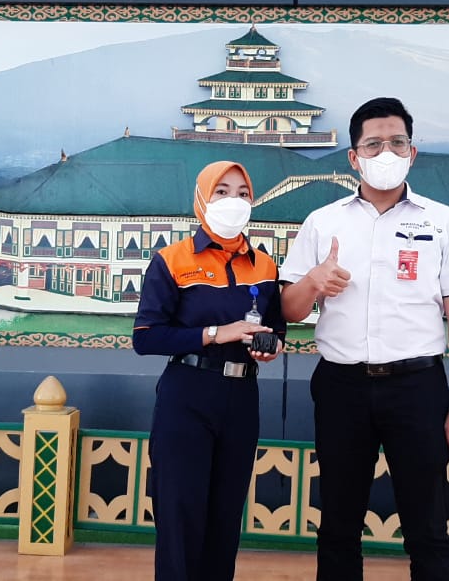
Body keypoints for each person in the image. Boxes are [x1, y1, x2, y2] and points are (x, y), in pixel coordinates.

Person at [279, 97, 449, 581]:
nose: (386, 152)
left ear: (413, 152)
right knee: (338, 525)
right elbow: (290, 309)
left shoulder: (443, 221)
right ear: (354, 157)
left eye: (397, 142)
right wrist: (313, 282)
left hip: (417, 388)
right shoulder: (323, 222)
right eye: (374, 144)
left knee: (427, 528)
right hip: (342, 387)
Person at [133, 160, 286, 581]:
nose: (233, 200)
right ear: (201, 198)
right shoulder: (172, 260)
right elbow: (146, 338)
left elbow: (276, 328)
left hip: (241, 398)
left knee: (225, 517)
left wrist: (271, 346)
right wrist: (217, 333)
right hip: (188, 394)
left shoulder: (265, 265)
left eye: (242, 193)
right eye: (222, 191)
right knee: (180, 515)